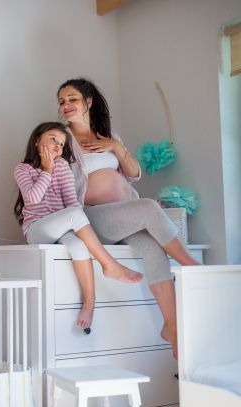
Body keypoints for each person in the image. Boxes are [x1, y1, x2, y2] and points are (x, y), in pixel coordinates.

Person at [56, 77, 202, 358]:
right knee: (148, 207)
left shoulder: (108, 134)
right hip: (90, 219)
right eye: (62, 101)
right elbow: (60, 184)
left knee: (151, 248)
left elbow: (133, 174)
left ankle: (170, 327)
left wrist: (116, 147)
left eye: (72, 99)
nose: (65, 105)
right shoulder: (61, 138)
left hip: (122, 215)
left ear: (88, 102)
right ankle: (192, 266)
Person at [14, 122, 144, 329]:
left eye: (62, 143)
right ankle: (109, 265)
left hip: (64, 227)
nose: (58, 145)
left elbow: (72, 202)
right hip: (37, 229)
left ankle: (89, 304)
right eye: (53, 139)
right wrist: (46, 170)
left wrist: (82, 229)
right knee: (74, 214)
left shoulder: (63, 166)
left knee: (78, 245)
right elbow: (33, 198)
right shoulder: (23, 169)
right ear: (37, 140)